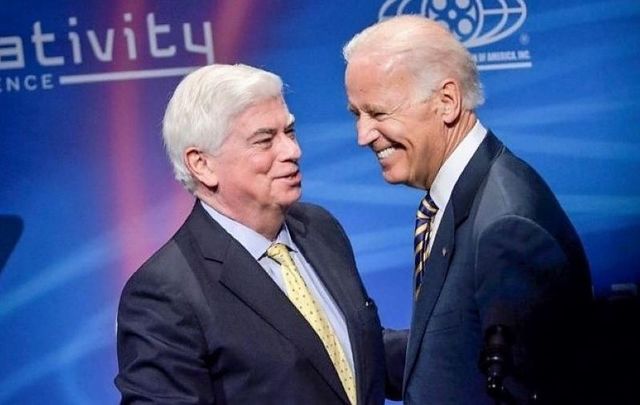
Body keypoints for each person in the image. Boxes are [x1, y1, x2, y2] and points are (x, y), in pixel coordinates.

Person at [115, 64, 404, 404]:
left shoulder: (320, 228)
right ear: (202, 164)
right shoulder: (164, 293)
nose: (292, 152)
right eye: (265, 140)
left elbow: (352, 352)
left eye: (290, 132)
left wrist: (459, 338)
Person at [343, 15, 593, 404]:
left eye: (377, 113)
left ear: (447, 102)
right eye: (355, 115)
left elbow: (520, 390)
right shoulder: (457, 197)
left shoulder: (507, 226)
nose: (362, 135)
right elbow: (454, 350)